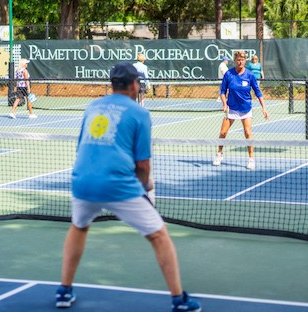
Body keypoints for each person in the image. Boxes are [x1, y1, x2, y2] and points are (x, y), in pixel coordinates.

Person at [56, 63, 201, 312]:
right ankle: (179, 299)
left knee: (79, 227)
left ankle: (64, 291)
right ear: (135, 85)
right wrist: (144, 187)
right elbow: (143, 165)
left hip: (82, 179)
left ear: (112, 85)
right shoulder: (140, 113)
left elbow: (81, 147)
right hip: (117, 183)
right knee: (159, 236)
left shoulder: (92, 106)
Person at [213, 50, 270, 170]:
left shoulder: (249, 75)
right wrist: (224, 104)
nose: (240, 62)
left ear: (245, 61)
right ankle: (219, 154)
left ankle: (251, 159)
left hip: (246, 109)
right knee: (223, 133)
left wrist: (264, 107)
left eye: (243, 60)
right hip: (231, 109)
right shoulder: (229, 74)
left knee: (248, 133)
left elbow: (258, 92)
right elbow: (222, 91)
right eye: (238, 60)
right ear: (235, 61)